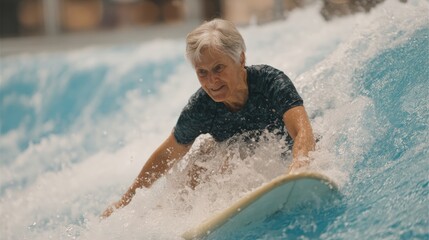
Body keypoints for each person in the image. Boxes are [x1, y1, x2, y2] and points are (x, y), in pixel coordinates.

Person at [101, 18, 315, 218]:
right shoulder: (201, 106)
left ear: (240, 58)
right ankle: (181, 215)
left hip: (286, 160)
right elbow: (167, 155)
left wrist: (299, 166)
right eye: (202, 72)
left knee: (230, 152)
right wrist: (125, 201)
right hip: (244, 170)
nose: (212, 81)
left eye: (218, 68)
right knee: (204, 155)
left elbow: (301, 130)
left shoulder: (270, 82)